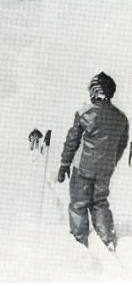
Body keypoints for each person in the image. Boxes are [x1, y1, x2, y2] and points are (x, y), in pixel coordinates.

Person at [58, 72, 129, 251]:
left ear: (95, 91)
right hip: (105, 169)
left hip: (83, 167)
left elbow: (72, 141)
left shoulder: (85, 113)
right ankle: (107, 238)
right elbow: (121, 146)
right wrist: (110, 163)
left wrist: (64, 164)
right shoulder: (121, 118)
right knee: (100, 202)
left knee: (78, 204)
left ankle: (80, 241)